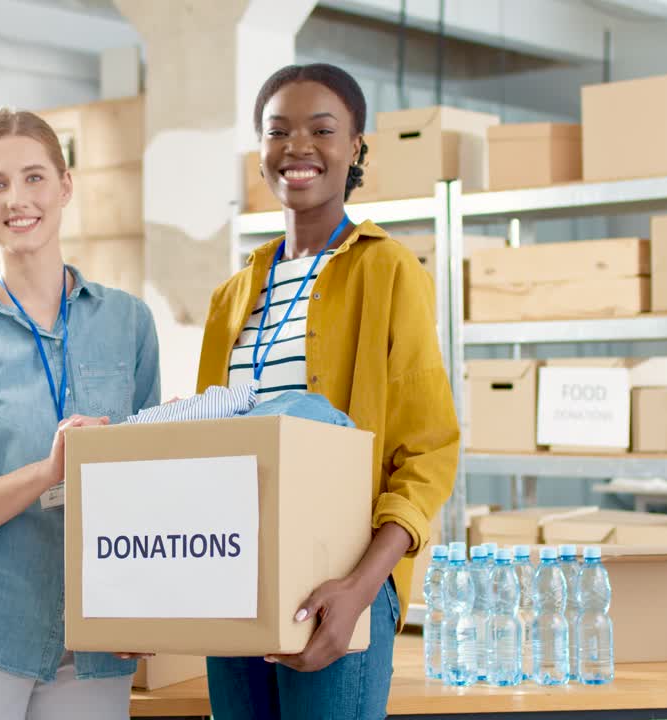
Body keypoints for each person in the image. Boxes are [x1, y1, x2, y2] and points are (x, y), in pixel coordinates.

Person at [196, 63, 460, 719]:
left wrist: (362, 588)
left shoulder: (389, 271)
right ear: (260, 152)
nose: (298, 147)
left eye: (322, 129)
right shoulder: (232, 296)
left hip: (341, 581)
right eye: (277, 131)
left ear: (356, 148)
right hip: (234, 580)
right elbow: (204, 448)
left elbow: (428, 455)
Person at [0, 108, 160, 719]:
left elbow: (151, 484)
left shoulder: (128, 323)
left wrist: (149, 603)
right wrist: (48, 472)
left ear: (65, 185)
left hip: (96, 637)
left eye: (34, 177)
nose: (17, 199)